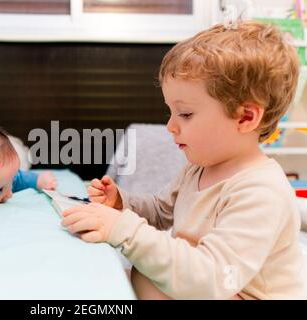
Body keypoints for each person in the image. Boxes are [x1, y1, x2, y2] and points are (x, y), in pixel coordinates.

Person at [61, 21, 306, 299]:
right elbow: (162, 209)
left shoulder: (261, 193)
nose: (170, 126)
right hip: (199, 285)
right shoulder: (199, 168)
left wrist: (124, 230)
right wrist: (121, 203)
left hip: (231, 290)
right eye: (171, 112)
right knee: (115, 279)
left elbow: (212, 278)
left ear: (245, 117)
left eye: (185, 114)